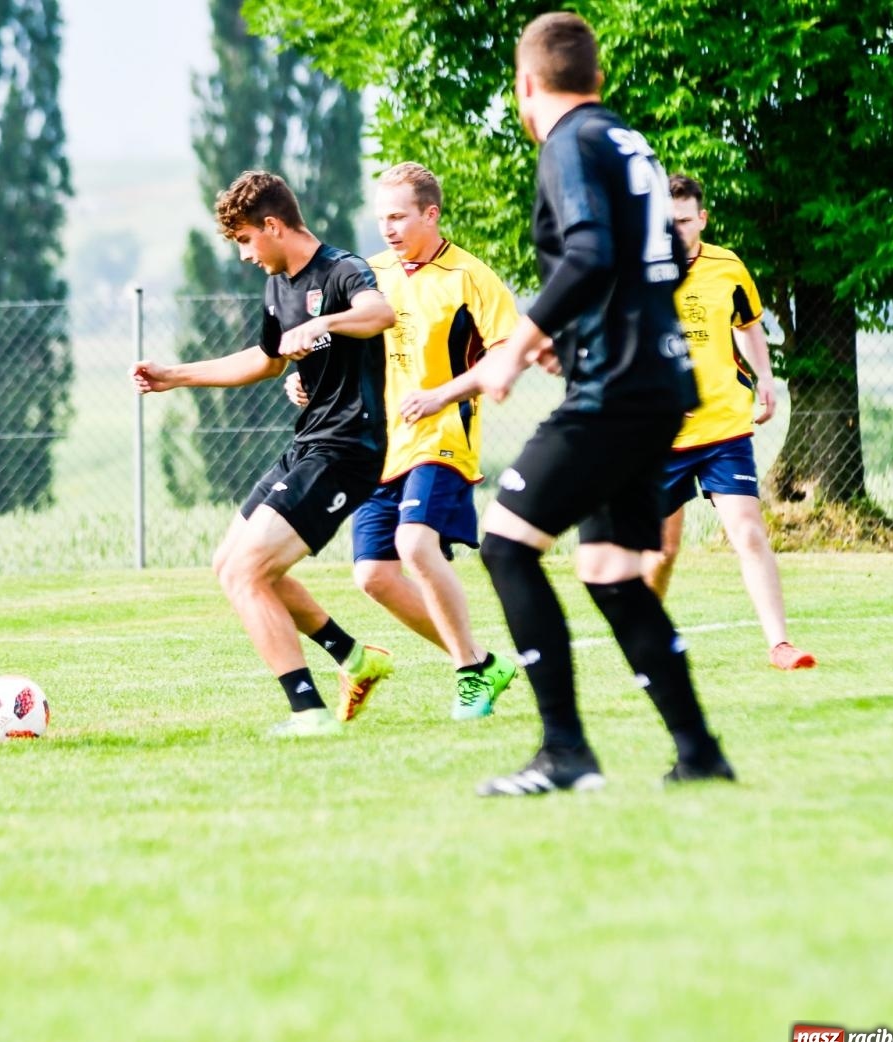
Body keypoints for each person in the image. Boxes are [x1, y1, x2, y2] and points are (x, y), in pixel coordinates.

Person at [407, 12, 735, 794]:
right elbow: (626, 263)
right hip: (653, 381)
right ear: (595, 76)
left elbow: (588, 252)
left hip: (617, 392)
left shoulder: (569, 143)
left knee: (508, 543)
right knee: (612, 572)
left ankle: (565, 753)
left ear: (526, 85)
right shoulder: (624, 139)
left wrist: (515, 348)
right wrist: (571, 334)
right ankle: (699, 753)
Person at [131, 170, 396, 737]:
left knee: (249, 572)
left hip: (349, 447)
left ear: (273, 226)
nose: (245, 255)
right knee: (230, 563)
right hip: (309, 442)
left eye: (247, 240)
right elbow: (267, 359)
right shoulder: (278, 286)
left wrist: (327, 322)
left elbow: (380, 314)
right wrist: (174, 376)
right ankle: (355, 658)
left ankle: (309, 713)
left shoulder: (341, 270)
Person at [286, 163, 519, 720]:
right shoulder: (369, 274)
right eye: (381, 217)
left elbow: (509, 356)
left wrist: (444, 395)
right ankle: (481, 662)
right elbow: (339, 351)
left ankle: (469, 674)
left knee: (416, 545)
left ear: (431, 213)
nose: (387, 227)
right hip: (378, 446)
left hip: (442, 438)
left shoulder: (472, 278)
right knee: (374, 576)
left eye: (398, 216)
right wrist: (306, 382)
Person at [642, 174, 816, 671]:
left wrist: (765, 377)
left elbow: (748, 325)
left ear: (701, 219)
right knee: (661, 551)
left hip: (724, 428)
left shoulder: (727, 266)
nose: (673, 232)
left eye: (681, 222)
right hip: (663, 437)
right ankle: (645, 637)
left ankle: (780, 644)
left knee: (748, 532)